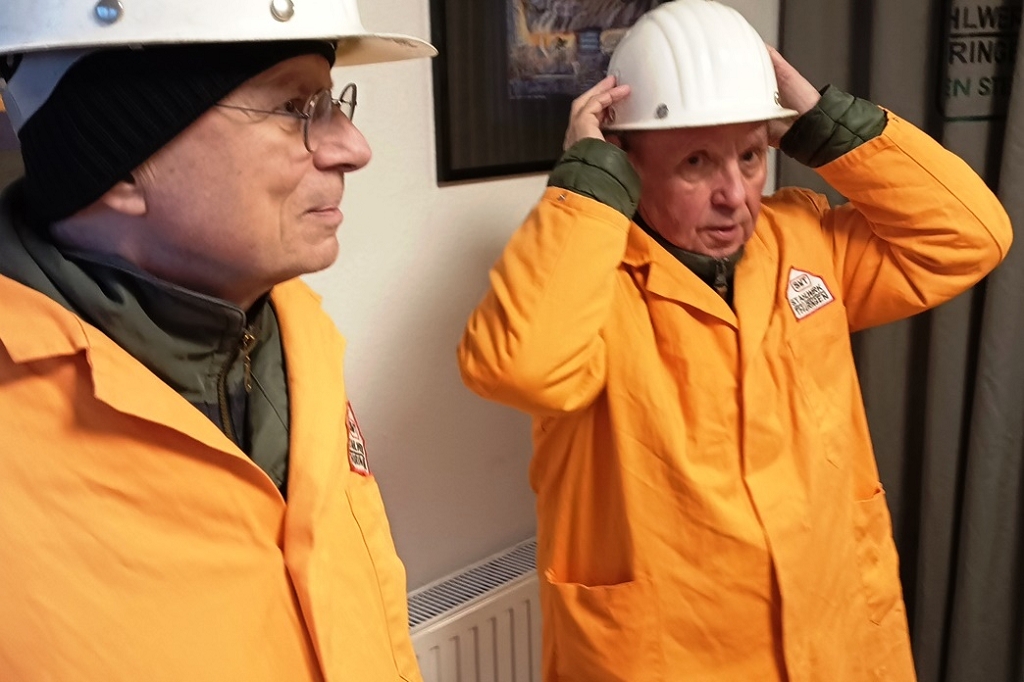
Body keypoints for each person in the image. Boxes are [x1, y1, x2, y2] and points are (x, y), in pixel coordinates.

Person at [457, 1, 1013, 680]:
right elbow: (519, 368)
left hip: (835, 636)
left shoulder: (804, 240)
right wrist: (587, 180)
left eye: (750, 156)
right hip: (680, 655)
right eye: (696, 162)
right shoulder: (585, 281)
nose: (735, 195)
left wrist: (824, 121)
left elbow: (970, 236)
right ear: (624, 159)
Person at [0, 1, 435, 680]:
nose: (353, 147)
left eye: (331, 100)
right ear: (122, 163)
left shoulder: (295, 338)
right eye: (295, 107)